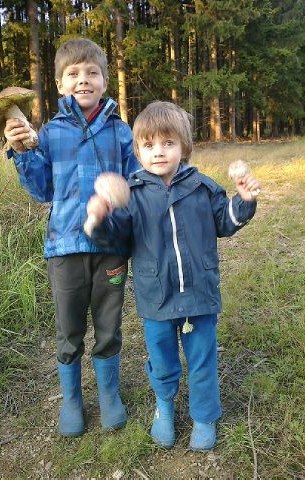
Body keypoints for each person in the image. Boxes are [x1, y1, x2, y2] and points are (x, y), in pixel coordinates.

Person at [86, 101, 261, 450]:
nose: (159, 152)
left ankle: (204, 416)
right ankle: (164, 405)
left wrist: (243, 200)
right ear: (138, 151)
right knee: (163, 360)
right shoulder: (132, 195)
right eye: (149, 145)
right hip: (156, 297)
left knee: (202, 361)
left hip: (199, 296)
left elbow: (225, 221)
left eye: (168, 143)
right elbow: (118, 239)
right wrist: (100, 217)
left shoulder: (203, 188)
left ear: (185, 147)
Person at [4, 38, 139, 437]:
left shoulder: (120, 131)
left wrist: (122, 199)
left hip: (111, 246)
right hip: (63, 248)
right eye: (73, 74)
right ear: (60, 84)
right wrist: (24, 151)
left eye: (92, 73)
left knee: (109, 324)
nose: (84, 80)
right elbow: (42, 189)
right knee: (69, 329)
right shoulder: (48, 133)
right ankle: (72, 400)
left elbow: (136, 181)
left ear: (104, 80)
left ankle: (109, 395)